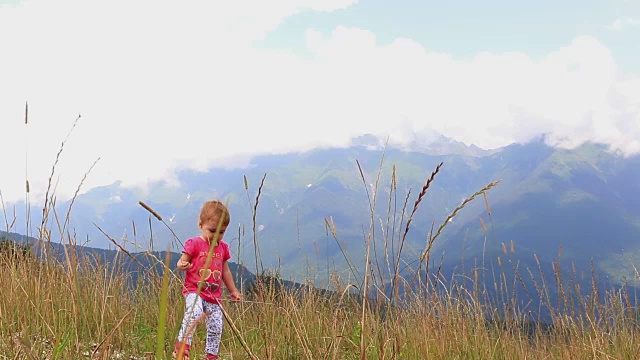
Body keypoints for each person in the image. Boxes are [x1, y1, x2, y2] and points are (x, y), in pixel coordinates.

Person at [173, 200, 242, 360]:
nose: (216, 236)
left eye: (221, 232)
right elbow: (181, 262)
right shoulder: (194, 244)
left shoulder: (223, 248)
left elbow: (225, 270)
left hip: (214, 296)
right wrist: (182, 264)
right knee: (194, 312)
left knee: (217, 325)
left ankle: (211, 355)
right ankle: (182, 348)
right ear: (201, 225)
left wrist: (233, 290)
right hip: (194, 290)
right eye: (212, 231)